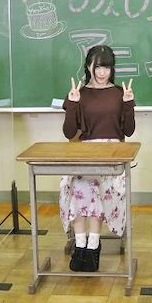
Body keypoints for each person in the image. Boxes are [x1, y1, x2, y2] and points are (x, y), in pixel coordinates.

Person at [61, 45, 136, 272]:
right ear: (88, 67)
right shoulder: (79, 93)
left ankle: (93, 245)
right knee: (74, 185)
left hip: (111, 154)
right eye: (98, 67)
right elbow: (68, 132)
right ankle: (80, 244)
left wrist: (128, 104)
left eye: (107, 68)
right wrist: (72, 105)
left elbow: (129, 131)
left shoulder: (119, 93)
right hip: (84, 153)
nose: (102, 73)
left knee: (99, 188)